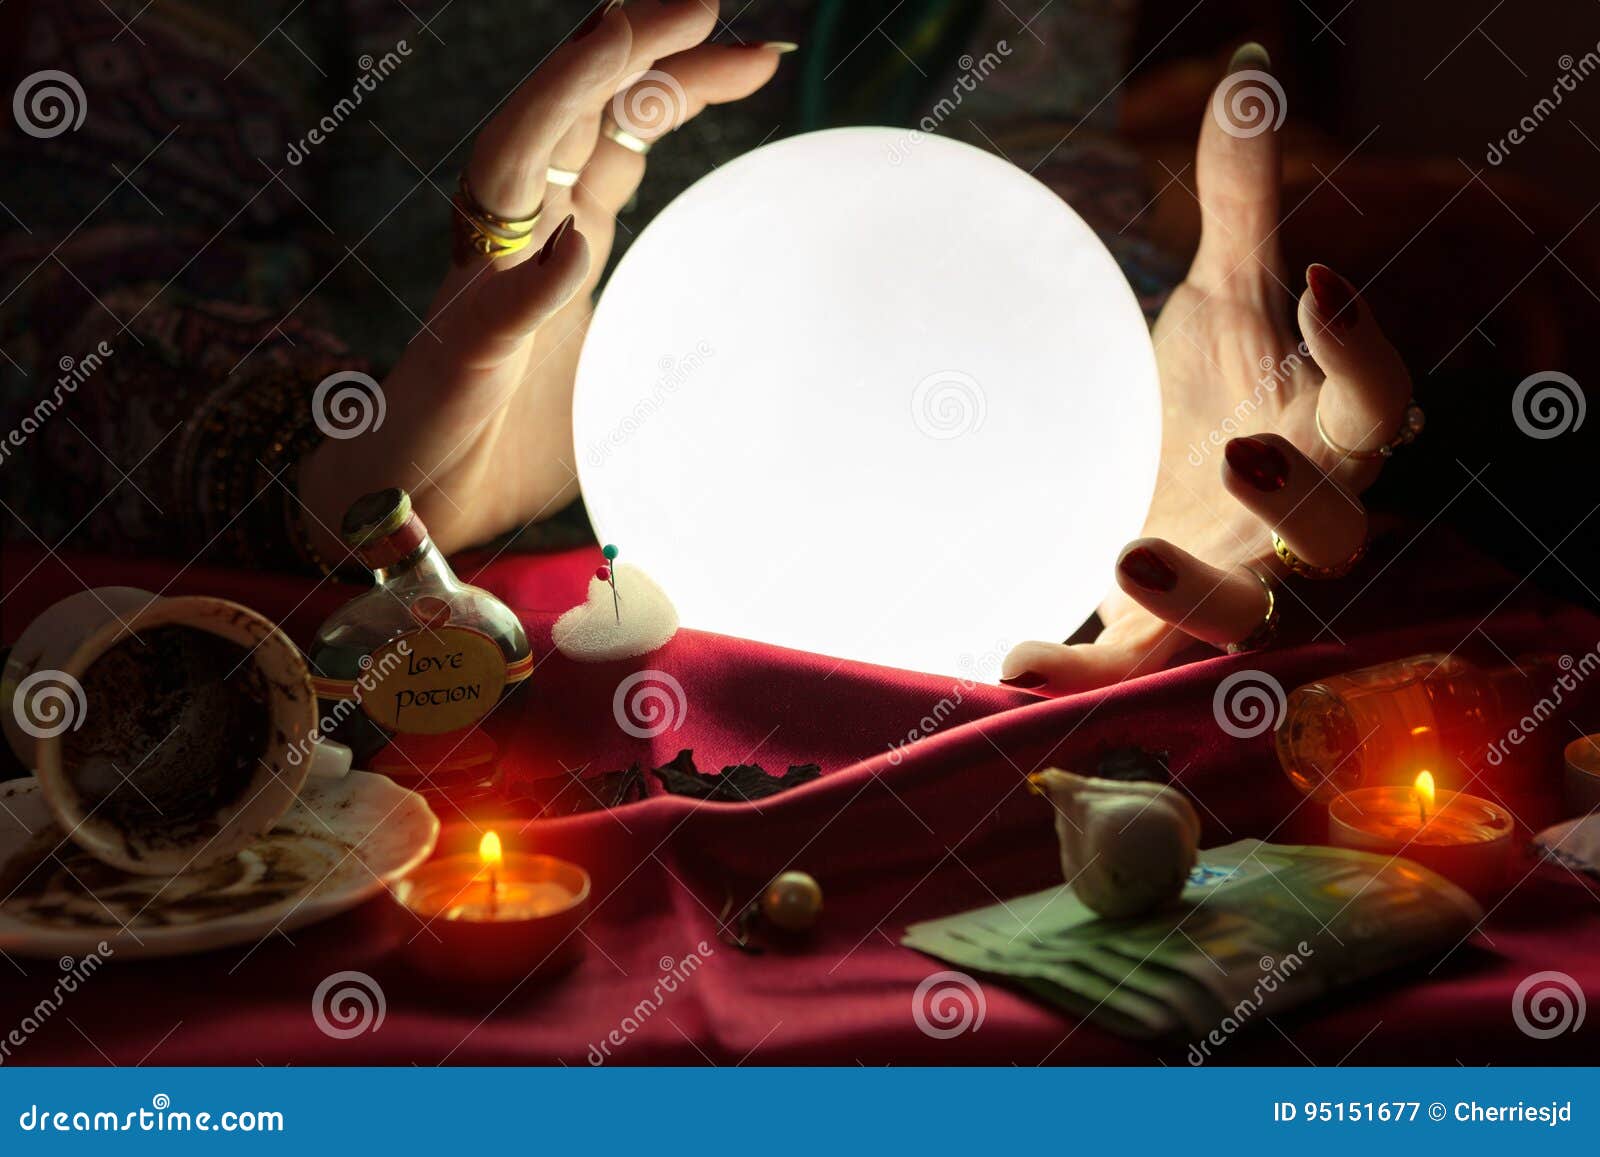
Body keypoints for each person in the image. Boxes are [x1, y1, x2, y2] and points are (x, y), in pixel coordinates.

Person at [0, 2, 1422, 693]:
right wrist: (340, 450)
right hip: (415, 664)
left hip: (913, 679)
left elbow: (1026, 210)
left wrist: (1130, 465)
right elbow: (73, 271)